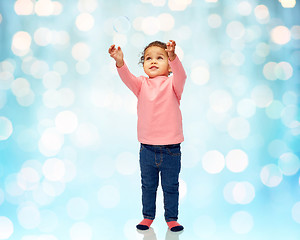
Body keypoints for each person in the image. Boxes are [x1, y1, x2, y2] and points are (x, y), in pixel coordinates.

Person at [108, 40, 187, 232]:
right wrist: (120, 62)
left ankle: (171, 219)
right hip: (147, 149)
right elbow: (127, 77)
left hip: (171, 150)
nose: (153, 61)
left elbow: (182, 75)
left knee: (171, 187)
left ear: (169, 66)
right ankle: (148, 217)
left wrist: (174, 57)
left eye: (160, 58)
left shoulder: (173, 84)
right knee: (148, 186)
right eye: (148, 58)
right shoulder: (141, 85)